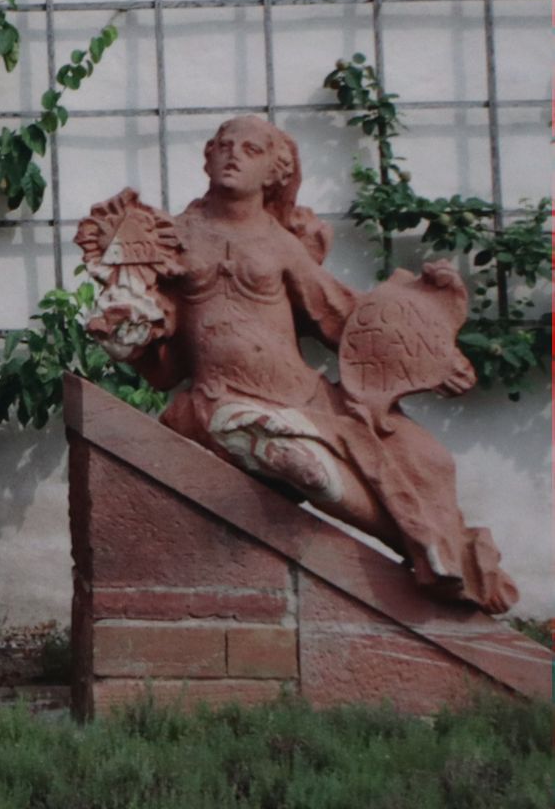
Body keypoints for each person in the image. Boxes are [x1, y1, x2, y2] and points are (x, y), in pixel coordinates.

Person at [81, 116, 518, 613]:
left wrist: (431, 359)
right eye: (223, 146)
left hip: (305, 397)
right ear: (207, 156)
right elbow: (151, 328)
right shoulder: (171, 238)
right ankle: (423, 549)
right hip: (222, 403)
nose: (233, 154)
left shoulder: (280, 243)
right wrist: (129, 332)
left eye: (250, 149)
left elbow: (342, 317)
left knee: (424, 456)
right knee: (305, 466)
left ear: (274, 172)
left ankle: (443, 553)